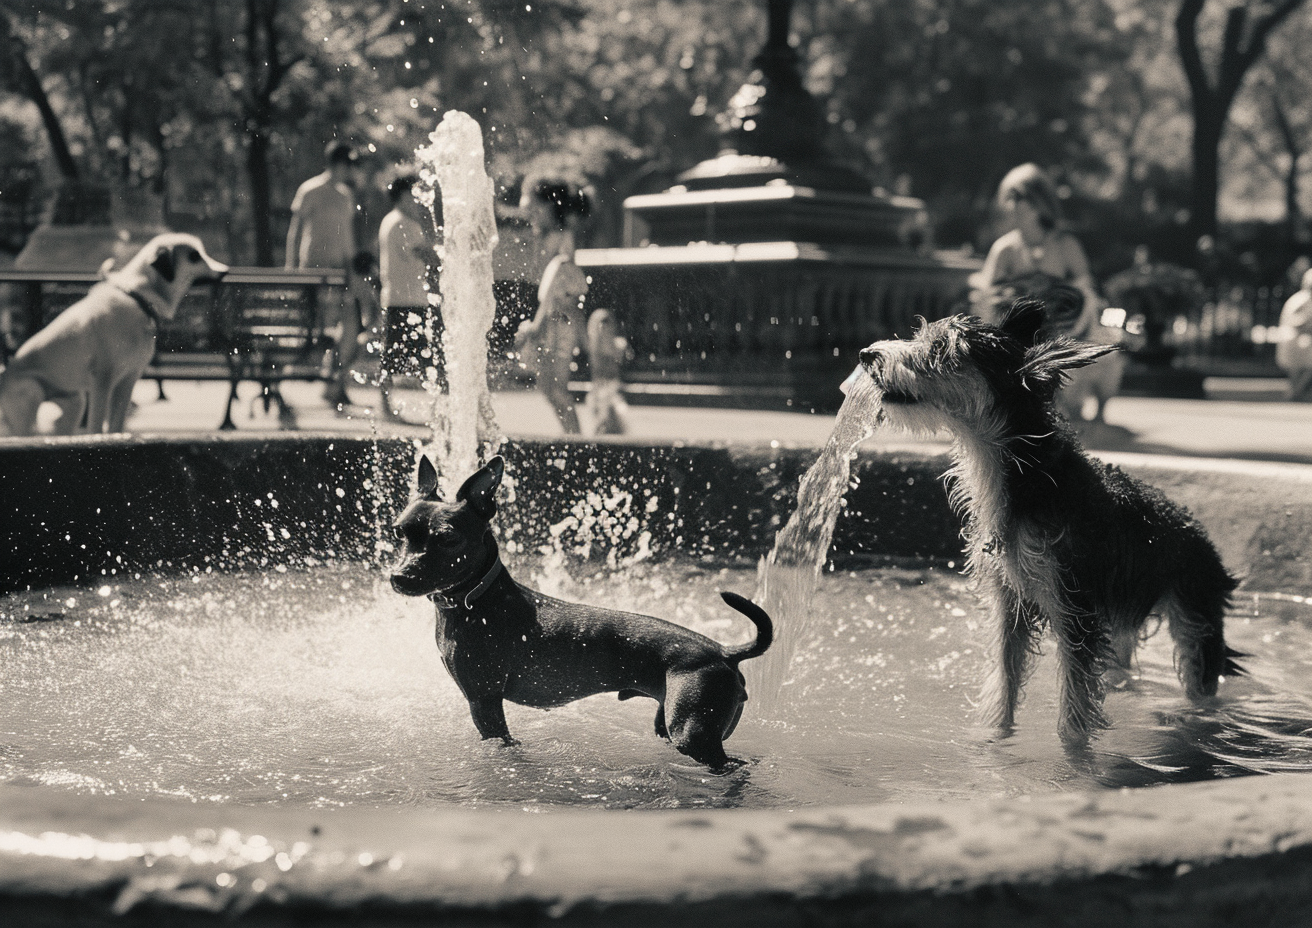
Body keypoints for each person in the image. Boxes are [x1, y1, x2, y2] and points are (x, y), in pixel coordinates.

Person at [969, 163, 1101, 337]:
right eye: (1010, 197)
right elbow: (985, 303)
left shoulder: (1066, 245)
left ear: (1040, 202)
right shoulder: (1004, 249)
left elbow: (1087, 296)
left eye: (1020, 197)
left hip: (1060, 338)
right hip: (1013, 339)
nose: (1014, 205)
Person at [513, 177, 592, 434]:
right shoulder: (552, 237)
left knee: (555, 388)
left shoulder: (562, 238)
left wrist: (537, 325)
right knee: (549, 387)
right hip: (554, 319)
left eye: (535, 210)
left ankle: (576, 441)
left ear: (550, 206)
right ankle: (572, 437)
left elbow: (560, 284)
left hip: (558, 321)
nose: (531, 216)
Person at [286, 140, 360, 409]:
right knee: (304, 330)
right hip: (312, 272)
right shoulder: (310, 190)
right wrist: (291, 269)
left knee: (350, 327)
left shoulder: (345, 195)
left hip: (339, 272)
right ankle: (280, 385)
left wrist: (351, 273)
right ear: (339, 164)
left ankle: (335, 384)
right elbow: (295, 231)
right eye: (349, 164)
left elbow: (348, 239)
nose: (352, 170)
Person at [377, 171, 443, 419]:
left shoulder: (389, 221)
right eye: (416, 194)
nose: (420, 200)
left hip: (396, 297)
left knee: (392, 356)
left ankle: (386, 405)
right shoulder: (405, 224)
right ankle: (437, 409)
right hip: (408, 300)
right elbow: (428, 255)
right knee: (425, 357)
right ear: (405, 195)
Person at [585, 308, 630, 435]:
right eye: (601, 322)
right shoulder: (592, 346)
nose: (603, 326)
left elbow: (619, 359)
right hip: (598, 391)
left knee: (617, 424)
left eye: (607, 322)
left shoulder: (620, 344)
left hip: (614, 390)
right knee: (601, 425)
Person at [1276, 266, 1312, 401]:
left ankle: (1295, 393)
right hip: (1294, 342)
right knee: (1300, 372)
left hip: (1300, 343)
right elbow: (1296, 322)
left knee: (1302, 373)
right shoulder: (1301, 300)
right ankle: (1295, 394)